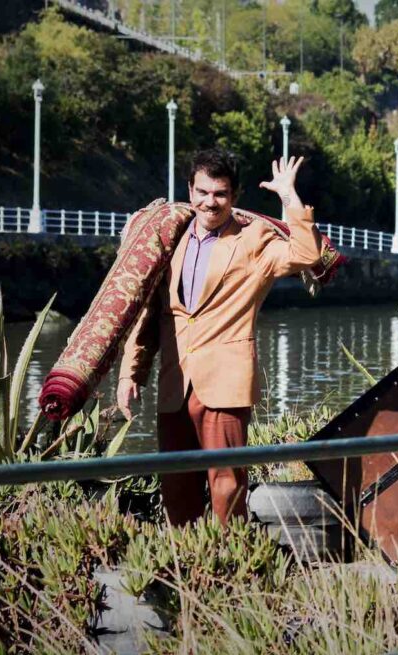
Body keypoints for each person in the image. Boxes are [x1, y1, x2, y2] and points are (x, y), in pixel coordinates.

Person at [116, 148, 323, 527]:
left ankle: (231, 563)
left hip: (225, 384)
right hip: (175, 383)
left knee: (226, 485)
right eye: (203, 192)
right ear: (190, 191)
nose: (210, 202)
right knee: (175, 485)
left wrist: (289, 196)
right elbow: (152, 315)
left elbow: (308, 253)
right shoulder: (170, 239)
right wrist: (131, 374)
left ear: (235, 196)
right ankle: (188, 567)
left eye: (220, 194)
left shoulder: (253, 240)